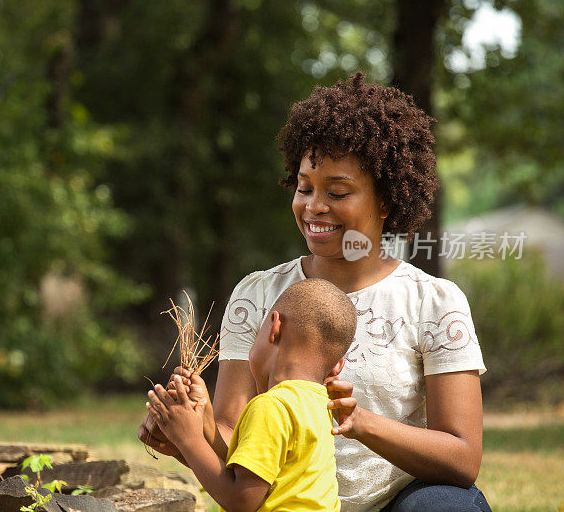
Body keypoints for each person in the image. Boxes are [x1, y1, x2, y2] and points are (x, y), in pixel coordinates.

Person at [139, 72, 491, 511]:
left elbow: (462, 458)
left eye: (338, 191)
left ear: (385, 201)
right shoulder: (258, 295)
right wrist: (193, 431)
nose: (313, 206)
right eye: (304, 187)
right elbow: (240, 446)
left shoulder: (434, 302)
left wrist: (360, 422)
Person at [147, 278, 357, 512]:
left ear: (274, 327)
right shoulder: (320, 402)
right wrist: (201, 425)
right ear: (337, 365)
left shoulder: (271, 406)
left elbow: (242, 501)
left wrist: (189, 439)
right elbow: (252, 472)